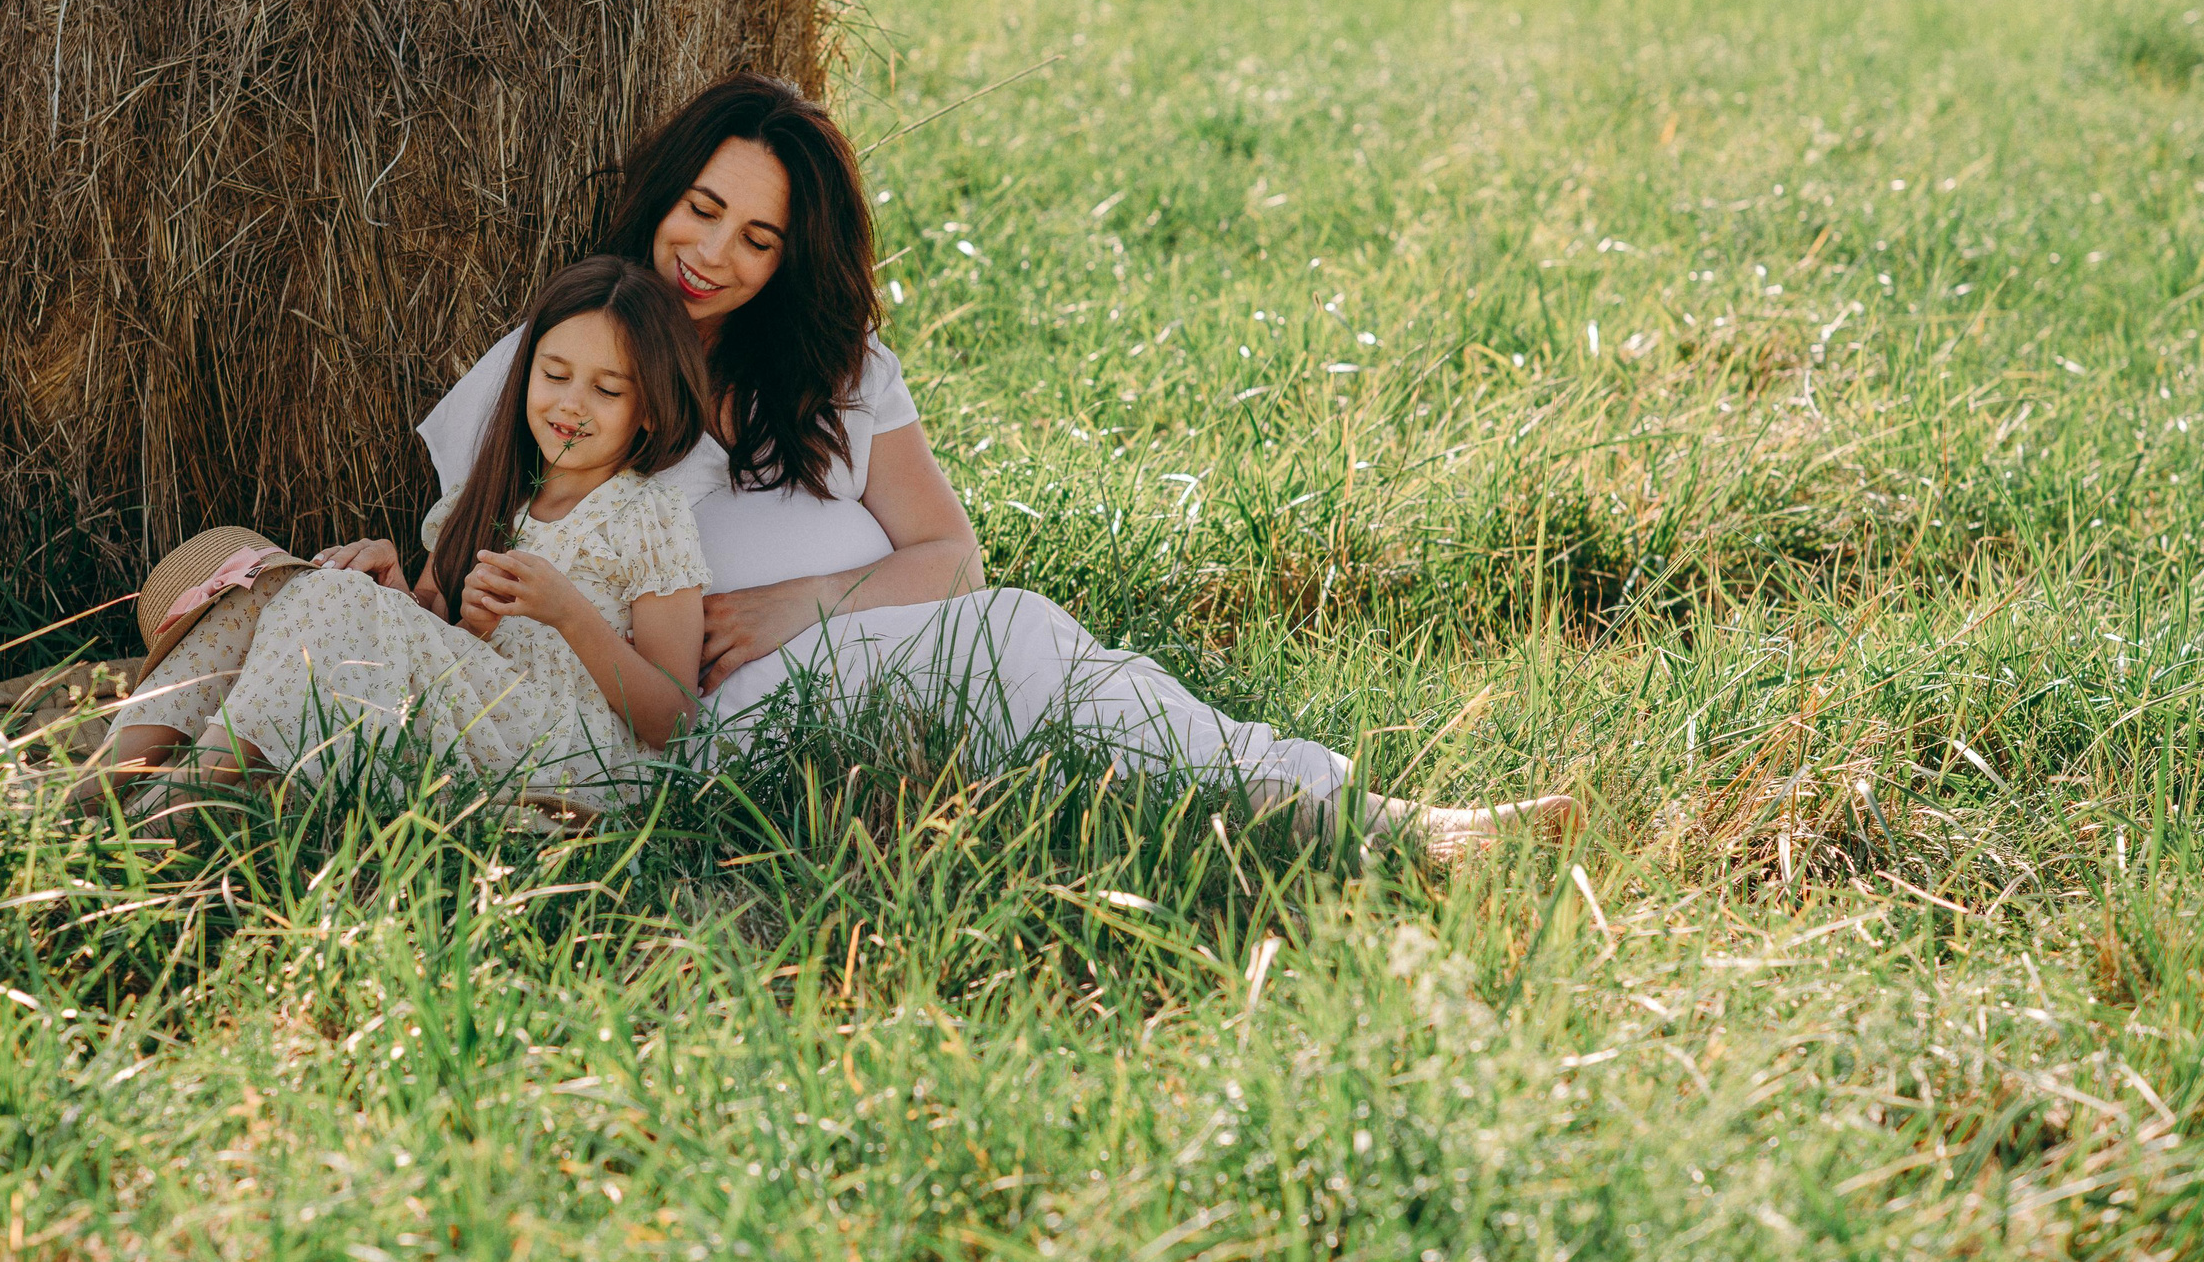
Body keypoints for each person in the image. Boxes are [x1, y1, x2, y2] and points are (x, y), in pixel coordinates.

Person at [334, 75, 1574, 860]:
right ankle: (1372, 825)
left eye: (757, 237)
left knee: (1053, 668)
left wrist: (799, 603)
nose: (713, 254)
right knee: (1028, 643)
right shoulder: (558, 359)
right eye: (701, 209)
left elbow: (947, 552)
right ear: (663, 193)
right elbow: (474, 567)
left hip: (877, 648)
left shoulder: (835, 368)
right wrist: (389, 587)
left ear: (788, 259)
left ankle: (1340, 816)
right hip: (714, 714)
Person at [86, 257, 714, 808]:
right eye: (554, 375)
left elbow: (675, 722)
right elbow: (428, 648)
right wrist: (399, 596)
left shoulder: (649, 517)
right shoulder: (483, 498)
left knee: (332, 595)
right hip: (462, 729)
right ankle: (93, 786)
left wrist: (569, 614)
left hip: (570, 760)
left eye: (606, 389)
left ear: (651, 409)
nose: (571, 404)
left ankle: (170, 808)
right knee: (276, 585)